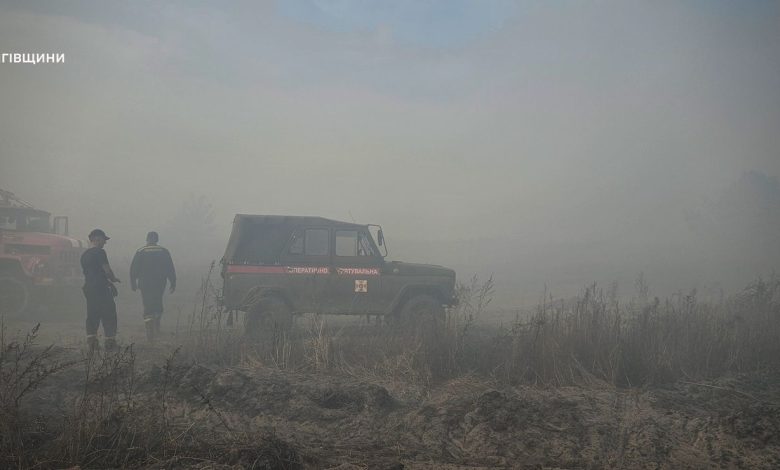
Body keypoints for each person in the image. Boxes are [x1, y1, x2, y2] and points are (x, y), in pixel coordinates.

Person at [130, 231, 176, 341]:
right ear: (157, 239)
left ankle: (149, 330)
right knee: (158, 302)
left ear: (147, 239)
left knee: (147, 303)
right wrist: (173, 282)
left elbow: (133, 269)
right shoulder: (164, 251)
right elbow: (170, 268)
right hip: (159, 283)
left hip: (145, 283)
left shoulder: (140, 251)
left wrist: (133, 282)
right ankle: (156, 327)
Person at [80, 229, 120, 352]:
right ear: (97, 239)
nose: (105, 243)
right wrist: (113, 279)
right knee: (109, 313)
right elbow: (106, 270)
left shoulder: (84, 255)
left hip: (89, 288)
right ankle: (110, 342)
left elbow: (91, 273)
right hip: (101, 288)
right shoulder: (100, 252)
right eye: (104, 240)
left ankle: (92, 343)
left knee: (92, 314)